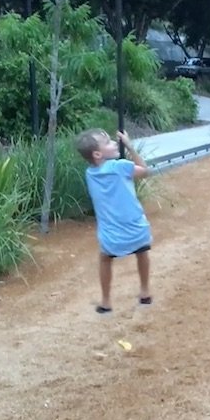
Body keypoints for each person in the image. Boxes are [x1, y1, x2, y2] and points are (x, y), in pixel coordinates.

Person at [75, 129, 152, 313]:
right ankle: (145, 291)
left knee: (105, 259)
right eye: (108, 142)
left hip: (111, 234)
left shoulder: (90, 174)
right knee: (142, 253)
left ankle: (106, 301)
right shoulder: (121, 167)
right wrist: (130, 146)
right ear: (97, 154)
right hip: (135, 227)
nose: (114, 143)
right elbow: (145, 171)